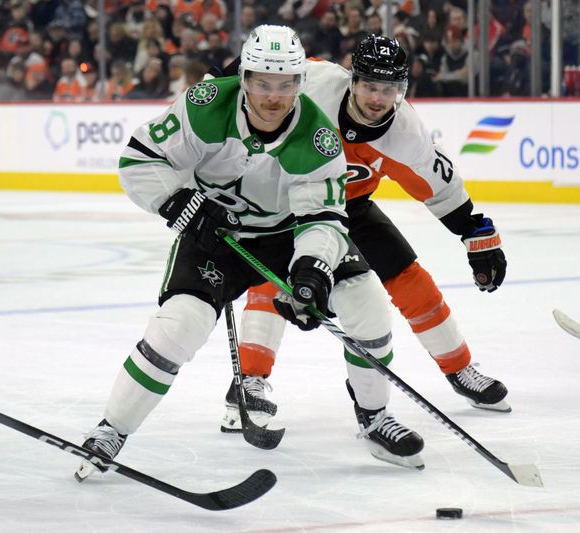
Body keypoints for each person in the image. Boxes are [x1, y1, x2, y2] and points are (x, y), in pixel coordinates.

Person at [75, 25, 425, 481]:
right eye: (262, 82)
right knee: (181, 324)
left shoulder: (317, 137)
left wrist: (312, 271)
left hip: (287, 234)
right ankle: (112, 430)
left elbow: (322, 218)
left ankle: (374, 416)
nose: (273, 96)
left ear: (301, 82)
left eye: (286, 84)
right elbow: (141, 161)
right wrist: (182, 205)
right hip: (213, 236)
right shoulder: (205, 106)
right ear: (244, 77)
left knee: (366, 301)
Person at [217, 35, 510, 435]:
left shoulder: (404, 130)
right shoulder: (317, 81)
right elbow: (259, 70)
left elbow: (437, 184)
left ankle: (459, 369)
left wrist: (473, 230)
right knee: (273, 280)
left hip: (351, 205)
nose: (377, 98)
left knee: (410, 278)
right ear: (352, 80)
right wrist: (215, 85)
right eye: (369, 85)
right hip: (288, 203)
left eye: (388, 89)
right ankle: (249, 382)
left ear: (401, 91)